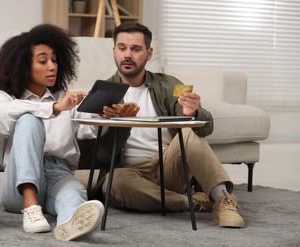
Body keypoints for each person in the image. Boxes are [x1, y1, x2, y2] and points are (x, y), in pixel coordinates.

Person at [0, 24, 139, 241]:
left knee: (74, 193)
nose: (52, 66)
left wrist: (110, 117)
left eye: (55, 60)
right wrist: (54, 108)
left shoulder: (65, 99)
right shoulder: (3, 99)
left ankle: (69, 225)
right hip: (16, 186)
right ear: (23, 66)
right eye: (43, 61)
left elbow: (90, 128)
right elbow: (5, 114)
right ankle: (30, 207)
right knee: (30, 120)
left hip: (59, 172)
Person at [102, 21, 245, 228]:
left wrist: (193, 113)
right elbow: (102, 155)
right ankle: (193, 203)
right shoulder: (104, 92)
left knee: (190, 130)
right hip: (131, 172)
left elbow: (206, 127)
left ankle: (223, 200)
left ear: (149, 53)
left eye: (136, 49)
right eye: (122, 48)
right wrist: (109, 123)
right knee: (113, 182)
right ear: (114, 51)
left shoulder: (168, 84)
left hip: (168, 167)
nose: (127, 55)